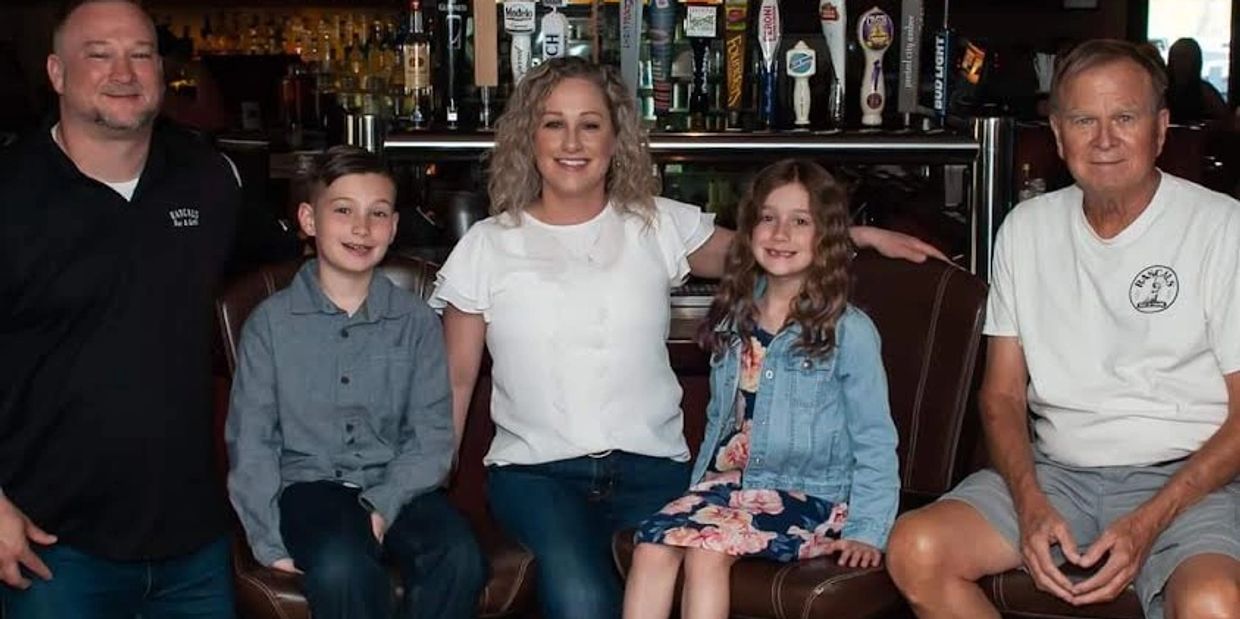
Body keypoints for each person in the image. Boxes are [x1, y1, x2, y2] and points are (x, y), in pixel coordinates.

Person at [431, 55, 942, 619]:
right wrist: (431, 487)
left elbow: (764, 247)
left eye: (590, 123)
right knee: (585, 602)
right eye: (553, 122)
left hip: (656, 470)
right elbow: (456, 379)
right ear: (529, 136)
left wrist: (857, 235)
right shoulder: (486, 245)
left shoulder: (654, 221)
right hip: (537, 476)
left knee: (674, 577)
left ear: (615, 137)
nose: (572, 141)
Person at [886, 39, 1240, 619]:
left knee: (1213, 602)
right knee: (916, 549)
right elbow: (1000, 395)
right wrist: (1029, 503)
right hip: (1057, 475)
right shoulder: (1025, 230)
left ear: (1161, 127)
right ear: (1057, 134)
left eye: (1124, 118)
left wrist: (1149, 520)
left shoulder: (1221, 228)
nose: (1104, 140)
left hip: (1186, 480)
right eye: (1084, 120)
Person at [0, 1, 242, 617]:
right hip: (49, 549)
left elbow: (301, 284)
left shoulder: (208, 178)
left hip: (195, 546)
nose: (124, 72)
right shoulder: (10, 189)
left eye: (140, 53)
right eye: (98, 54)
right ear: (56, 72)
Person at [621, 159, 900, 619]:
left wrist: (868, 530)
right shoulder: (734, 320)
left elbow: (875, 438)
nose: (780, 233)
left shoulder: (849, 331)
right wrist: (696, 494)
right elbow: (719, 421)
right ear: (749, 230)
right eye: (767, 218)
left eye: (800, 221)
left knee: (707, 551)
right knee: (651, 545)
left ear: (827, 237)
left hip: (813, 497)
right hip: (728, 491)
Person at [226, 145, 486, 619]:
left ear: (393, 226)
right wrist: (267, 542)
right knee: (342, 568)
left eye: (378, 213)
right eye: (343, 210)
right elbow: (252, 442)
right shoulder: (271, 324)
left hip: (399, 484)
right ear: (309, 219)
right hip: (308, 488)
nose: (361, 228)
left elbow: (432, 439)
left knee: (460, 558)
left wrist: (384, 505)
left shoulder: (416, 322)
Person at [1165, 38, 1230, 126]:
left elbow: (1225, 122)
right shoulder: (1160, 90)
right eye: (1176, 56)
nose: (1180, 62)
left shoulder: (1206, 92)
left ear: (1195, 61)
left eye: (1185, 57)